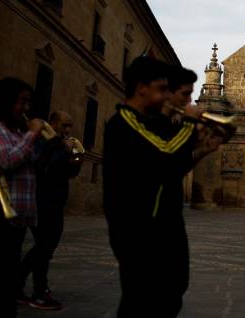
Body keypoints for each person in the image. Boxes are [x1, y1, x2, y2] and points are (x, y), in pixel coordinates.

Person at [103, 57, 220, 318]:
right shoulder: (125, 122)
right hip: (138, 226)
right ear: (141, 87)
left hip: (165, 221)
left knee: (172, 291)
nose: (166, 95)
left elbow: (169, 169)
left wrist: (201, 151)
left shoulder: (152, 123)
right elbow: (164, 150)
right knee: (141, 299)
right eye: (161, 88)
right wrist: (190, 123)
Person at [0, 78, 45, 318]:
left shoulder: (16, 132)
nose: (26, 108)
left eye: (29, 102)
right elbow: (7, 160)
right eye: (22, 101)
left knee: (8, 289)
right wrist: (33, 133)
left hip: (15, 220)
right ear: (6, 101)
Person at [18, 111, 82, 310]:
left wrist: (75, 159)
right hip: (42, 201)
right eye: (64, 125)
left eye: (69, 126)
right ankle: (36, 290)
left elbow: (67, 171)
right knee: (44, 246)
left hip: (55, 201)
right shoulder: (42, 140)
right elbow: (44, 168)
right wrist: (62, 149)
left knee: (46, 247)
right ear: (53, 123)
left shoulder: (59, 144)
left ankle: (28, 285)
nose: (67, 130)